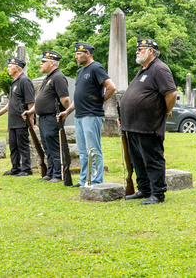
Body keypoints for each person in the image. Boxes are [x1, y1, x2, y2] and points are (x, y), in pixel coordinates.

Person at [120, 38, 177, 205]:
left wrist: (165, 111)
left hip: (149, 125)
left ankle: (158, 193)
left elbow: (171, 94)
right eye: (137, 49)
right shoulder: (142, 70)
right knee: (137, 160)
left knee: (152, 159)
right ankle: (144, 189)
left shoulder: (159, 69)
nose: (137, 51)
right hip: (133, 125)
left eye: (140, 49)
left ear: (150, 51)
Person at [58, 42, 116, 187]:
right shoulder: (80, 72)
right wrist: (67, 111)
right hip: (79, 116)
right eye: (76, 54)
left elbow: (111, 87)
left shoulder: (96, 68)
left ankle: (96, 181)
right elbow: (79, 97)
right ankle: (84, 180)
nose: (76, 57)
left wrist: (101, 101)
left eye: (79, 54)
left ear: (87, 54)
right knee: (83, 152)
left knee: (93, 150)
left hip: (92, 115)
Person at [22, 50, 70, 183]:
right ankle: (50, 171)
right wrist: (31, 111)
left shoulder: (58, 77)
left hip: (52, 118)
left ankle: (59, 173)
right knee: (47, 146)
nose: (40, 64)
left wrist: (64, 113)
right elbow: (41, 100)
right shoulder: (48, 77)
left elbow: (65, 99)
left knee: (54, 146)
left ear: (52, 63)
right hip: (43, 118)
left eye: (44, 62)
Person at [0, 57, 35, 177]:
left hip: (22, 120)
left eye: (9, 66)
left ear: (17, 67)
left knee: (22, 145)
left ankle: (26, 169)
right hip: (13, 121)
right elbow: (11, 102)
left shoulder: (25, 81)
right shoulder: (14, 82)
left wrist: (31, 119)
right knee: (13, 146)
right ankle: (15, 168)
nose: (7, 69)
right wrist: (0, 113)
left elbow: (31, 102)